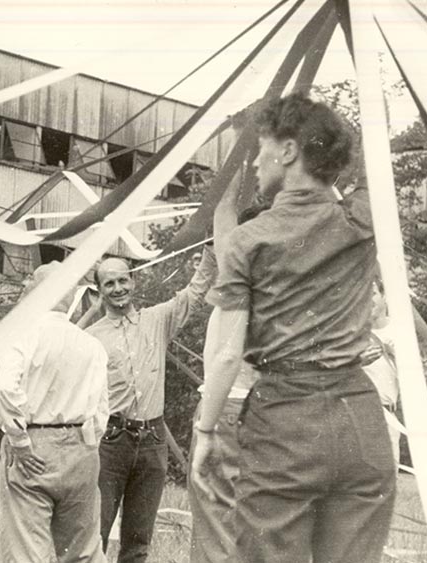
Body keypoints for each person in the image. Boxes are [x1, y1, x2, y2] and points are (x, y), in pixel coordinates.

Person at [192, 93, 395, 563]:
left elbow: (226, 354)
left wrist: (205, 432)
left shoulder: (248, 240)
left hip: (285, 420)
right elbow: (373, 168)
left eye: (260, 147)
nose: (255, 162)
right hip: (361, 421)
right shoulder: (361, 219)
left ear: (288, 151)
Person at [85, 236, 216, 562]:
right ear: (99, 290)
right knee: (94, 535)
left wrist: (210, 248)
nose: (118, 288)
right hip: (110, 442)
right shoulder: (90, 336)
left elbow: (195, 293)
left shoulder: (156, 320)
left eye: (123, 280)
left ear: (133, 281)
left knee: (139, 540)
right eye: (109, 283)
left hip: (152, 441)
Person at [0, 261, 109, 563]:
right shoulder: (91, 345)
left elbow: (4, 390)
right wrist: (86, 447)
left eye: (30, 284)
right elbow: (101, 409)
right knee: (81, 549)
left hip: (33, 445)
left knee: (28, 550)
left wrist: (19, 441)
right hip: (81, 449)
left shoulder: (22, 335)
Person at [186, 173, 264, 563]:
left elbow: (222, 210)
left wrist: (244, 142)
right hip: (271, 412)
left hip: (229, 410)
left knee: (216, 529)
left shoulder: (240, 282)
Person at [363, 280, 400, 466]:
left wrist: (400, 358)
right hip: (359, 414)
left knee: (388, 482)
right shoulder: (354, 332)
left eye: (373, 293)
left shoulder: (401, 331)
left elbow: (416, 379)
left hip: (389, 418)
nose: (368, 300)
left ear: (384, 296)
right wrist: (357, 361)